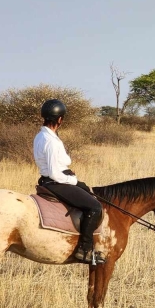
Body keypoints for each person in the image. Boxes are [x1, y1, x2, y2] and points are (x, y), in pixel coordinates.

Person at [33, 99, 105, 264]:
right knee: (94, 207)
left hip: (51, 180)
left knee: (86, 189)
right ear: (59, 119)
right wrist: (72, 179)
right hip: (56, 182)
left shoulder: (41, 135)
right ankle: (84, 250)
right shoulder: (50, 141)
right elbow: (54, 173)